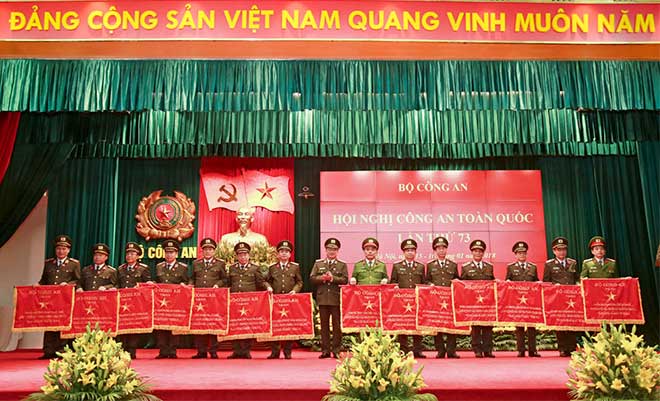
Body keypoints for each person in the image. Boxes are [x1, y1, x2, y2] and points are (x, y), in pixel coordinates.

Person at [37, 235, 81, 359]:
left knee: (63, 324)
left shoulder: (74, 264)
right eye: (58, 249)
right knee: (49, 324)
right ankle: (48, 350)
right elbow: (44, 280)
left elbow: (78, 280)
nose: (61, 251)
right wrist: (38, 285)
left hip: (64, 299)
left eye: (63, 249)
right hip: (50, 300)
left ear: (68, 250)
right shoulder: (48, 263)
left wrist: (68, 284)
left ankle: (62, 350)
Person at [227, 241, 272, 359]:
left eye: (245, 254)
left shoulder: (255, 268)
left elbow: (261, 282)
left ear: (248, 255)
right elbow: (228, 283)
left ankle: (246, 350)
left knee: (248, 325)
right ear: (237, 256)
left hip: (249, 302)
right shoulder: (232, 268)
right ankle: (236, 351)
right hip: (235, 302)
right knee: (235, 325)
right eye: (240, 255)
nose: (243, 257)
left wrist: (268, 287)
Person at [310, 238, 348, 359]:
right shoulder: (319, 264)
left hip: (335, 298)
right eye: (329, 249)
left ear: (337, 251)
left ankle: (336, 350)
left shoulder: (342, 265)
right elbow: (312, 278)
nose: (332, 251)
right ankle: (325, 350)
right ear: (326, 250)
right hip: (323, 298)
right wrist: (322, 278)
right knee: (324, 325)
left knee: (336, 325)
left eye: (334, 249)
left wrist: (333, 278)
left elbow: (345, 280)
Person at [266, 240, 303, 359]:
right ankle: (275, 351)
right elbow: (266, 281)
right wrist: (268, 287)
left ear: (290, 254)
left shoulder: (295, 267)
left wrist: (295, 290)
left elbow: (299, 282)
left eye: (286, 252)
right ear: (278, 254)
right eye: (281, 251)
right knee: (275, 325)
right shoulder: (272, 268)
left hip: (289, 301)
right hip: (275, 301)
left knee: (288, 325)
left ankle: (288, 351)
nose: (284, 253)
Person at [543, 236, 580, 357]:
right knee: (560, 323)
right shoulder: (549, 265)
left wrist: (578, 285)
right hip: (557, 298)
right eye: (559, 250)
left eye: (564, 249)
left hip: (571, 298)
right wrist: (555, 286)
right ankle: (563, 348)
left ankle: (572, 347)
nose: (562, 252)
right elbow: (546, 282)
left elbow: (577, 279)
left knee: (572, 321)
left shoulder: (572, 263)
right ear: (554, 251)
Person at [190, 237, 226, 359]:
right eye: (205, 249)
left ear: (214, 251)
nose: (208, 251)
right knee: (199, 324)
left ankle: (213, 350)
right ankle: (201, 351)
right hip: (199, 298)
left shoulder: (220, 263)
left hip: (213, 299)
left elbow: (224, 279)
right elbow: (192, 278)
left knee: (213, 323)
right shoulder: (196, 263)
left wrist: (217, 285)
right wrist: (190, 285)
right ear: (202, 251)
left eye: (210, 249)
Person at [390, 239, 426, 359]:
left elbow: (424, 283)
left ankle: (418, 350)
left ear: (415, 252)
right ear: (404, 252)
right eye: (407, 250)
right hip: (401, 301)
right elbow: (393, 282)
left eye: (412, 250)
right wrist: (394, 286)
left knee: (417, 324)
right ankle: (403, 350)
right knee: (402, 324)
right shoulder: (397, 266)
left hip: (416, 300)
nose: (410, 252)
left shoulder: (420, 267)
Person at [425, 236, 459, 359]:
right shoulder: (430, 265)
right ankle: (440, 350)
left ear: (446, 249)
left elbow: (457, 280)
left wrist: (456, 282)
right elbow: (426, 280)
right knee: (437, 324)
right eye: (438, 248)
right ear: (435, 250)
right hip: (436, 300)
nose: (441, 250)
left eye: (443, 248)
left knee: (451, 324)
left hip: (450, 300)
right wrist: (430, 284)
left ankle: (451, 350)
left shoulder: (453, 265)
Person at [154, 239, 189, 359]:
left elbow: (186, 281)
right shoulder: (159, 267)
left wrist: (184, 285)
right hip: (161, 301)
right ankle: (163, 350)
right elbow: (157, 281)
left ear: (176, 254)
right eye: (167, 252)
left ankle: (173, 350)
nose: (169, 255)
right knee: (161, 325)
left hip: (176, 302)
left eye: (172, 252)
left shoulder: (183, 267)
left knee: (174, 325)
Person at [460, 239, 495, 358]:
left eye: (480, 251)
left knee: (487, 326)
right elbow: (463, 285)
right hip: (473, 303)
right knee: (475, 327)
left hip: (486, 302)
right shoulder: (466, 267)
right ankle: (477, 349)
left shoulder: (489, 267)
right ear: (472, 252)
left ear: (483, 253)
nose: (478, 253)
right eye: (475, 251)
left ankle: (488, 349)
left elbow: (492, 282)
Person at [505, 241, 540, 358]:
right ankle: (521, 350)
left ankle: (532, 350)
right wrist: (508, 282)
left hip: (530, 301)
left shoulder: (533, 267)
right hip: (517, 301)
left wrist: (538, 283)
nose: (522, 255)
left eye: (524, 253)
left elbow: (536, 281)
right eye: (519, 253)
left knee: (531, 326)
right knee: (519, 326)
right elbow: (507, 282)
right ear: (515, 254)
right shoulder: (511, 267)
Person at [117, 241, 151, 359]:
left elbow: (147, 285)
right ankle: (121, 349)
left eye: (132, 254)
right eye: (128, 254)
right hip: (122, 302)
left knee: (133, 326)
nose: (129, 256)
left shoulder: (143, 269)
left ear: (138, 256)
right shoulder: (121, 269)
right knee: (122, 325)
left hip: (136, 302)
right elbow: (117, 284)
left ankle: (132, 349)